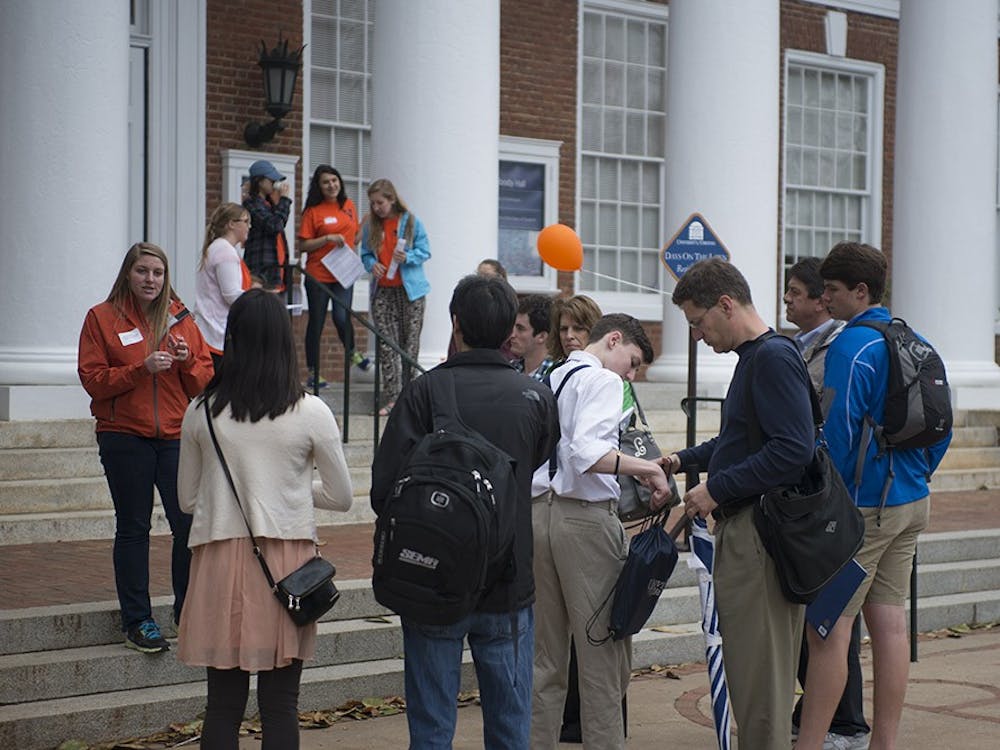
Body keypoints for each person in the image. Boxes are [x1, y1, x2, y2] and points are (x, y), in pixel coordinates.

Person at [370, 274, 559, 749]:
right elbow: (534, 465)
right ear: (506, 333)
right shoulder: (535, 397)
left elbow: (383, 491)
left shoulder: (423, 393)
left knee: (432, 730)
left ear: (456, 324)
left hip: (430, 575)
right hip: (508, 579)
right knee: (510, 727)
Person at [177, 288, 353, 749]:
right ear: (284, 340)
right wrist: (289, 490)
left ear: (231, 339)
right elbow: (341, 496)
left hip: (218, 556)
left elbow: (187, 499)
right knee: (280, 704)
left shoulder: (201, 411)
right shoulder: (312, 411)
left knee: (221, 706)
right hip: (287, 566)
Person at [795, 243, 952, 750]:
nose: (826, 298)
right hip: (911, 501)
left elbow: (836, 436)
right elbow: (941, 426)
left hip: (862, 510)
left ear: (859, 291)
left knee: (828, 633)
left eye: (833, 291)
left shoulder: (851, 345)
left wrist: (826, 505)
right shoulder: (916, 339)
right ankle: (883, 743)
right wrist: (917, 473)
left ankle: (810, 742)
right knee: (889, 629)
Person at [664, 257, 814, 750]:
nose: (697, 335)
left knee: (759, 682)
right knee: (754, 675)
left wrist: (717, 489)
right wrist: (683, 459)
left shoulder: (770, 357)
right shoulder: (758, 357)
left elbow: (793, 450)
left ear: (725, 304)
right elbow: (741, 440)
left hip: (757, 535)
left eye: (697, 321)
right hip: (749, 530)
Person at [531, 313, 672, 750]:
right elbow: (587, 453)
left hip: (537, 514)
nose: (630, 375)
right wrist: (650, 469)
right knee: (602, 656)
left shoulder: (553, 374)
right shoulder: (604, 381)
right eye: (631, 362)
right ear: (614, 340)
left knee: (546, 659)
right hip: (584, 519)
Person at [77, 243, 213, 653]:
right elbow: (93, 379)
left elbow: (205, 384)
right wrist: (141, 369)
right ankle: (138, 620)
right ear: (128, 274)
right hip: (124, 436)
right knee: (134, 527)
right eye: (142, 271)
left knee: (187, 524)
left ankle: (187, 610)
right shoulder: (101, 318)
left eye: (157, 272)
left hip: (174, 436)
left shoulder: (181, 318)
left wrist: (189, 361)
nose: (150, 279)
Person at [785, 257, 869, 750]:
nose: (788, 300)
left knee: (834, 618)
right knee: (817, 616)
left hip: (831, 497)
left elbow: (834, 423)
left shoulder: (840, 348)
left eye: (798, 292)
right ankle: (818, 712)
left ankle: (846, 721)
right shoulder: (798, 345)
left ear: (825, 298)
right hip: (811, 494)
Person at [359, 178, 431, 416]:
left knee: (409, 345)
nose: (377, 207)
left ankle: (410, 398)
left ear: (392, 199)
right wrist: (372, 265)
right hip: (384, 291)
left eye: (380, 202)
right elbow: (366, 253)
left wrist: (407, 257)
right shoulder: (372, 226)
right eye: (373, 203)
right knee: (387, 346)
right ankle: (392, 398)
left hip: (411, 291)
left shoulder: (411, 222)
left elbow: (425, 250)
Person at [299, 164, 369, 390]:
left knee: (342, 317)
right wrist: (327, 238)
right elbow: (303, 245)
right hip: (318, 275)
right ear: (319, 186)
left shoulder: (348, 206)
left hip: (343, 273)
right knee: (317, 322)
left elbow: (353, 239)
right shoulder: (313, 211)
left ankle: (352, 353)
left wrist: (367, 224)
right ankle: (313, 372)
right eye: (326, 182)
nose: (331, 185)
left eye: (334, 180)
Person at [195, 202, 254, 372]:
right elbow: (231, 295)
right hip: (218, 333)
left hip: (212, 330)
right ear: (232, 224)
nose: (249, 227)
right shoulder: (225, 251)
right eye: (246, 221)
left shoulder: (218, 248)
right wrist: (259, 299)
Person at [243, 159, 292, 290]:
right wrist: (285, 200)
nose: (274, 184)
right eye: (271, 180)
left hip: (276, 266)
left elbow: (279, 223)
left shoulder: (269, 204)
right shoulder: (251, 203)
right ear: (259, 181)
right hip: (261, 269)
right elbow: (274, 226)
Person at [509, 294, 553, 380]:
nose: (512, 335)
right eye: (513, 327)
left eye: (520, 328)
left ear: (542, 336)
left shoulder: (556, 376)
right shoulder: (510, 369)